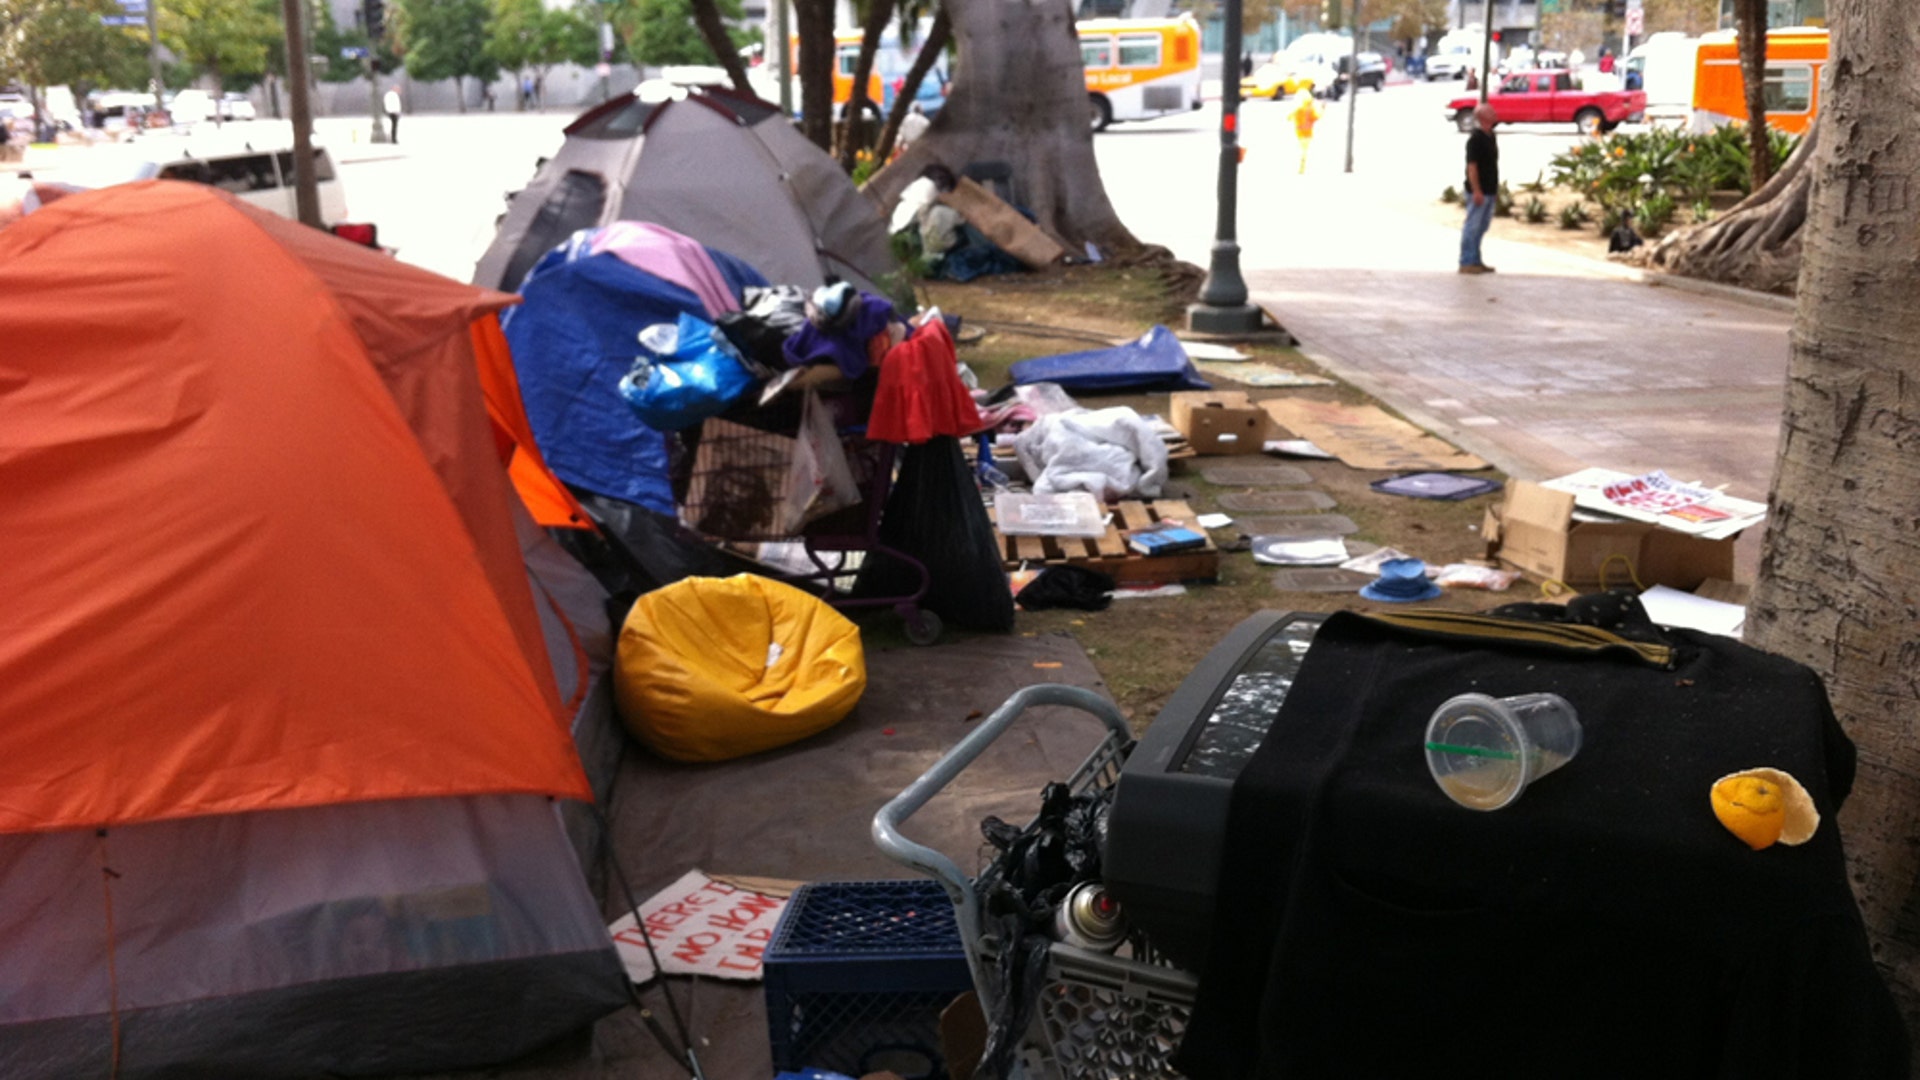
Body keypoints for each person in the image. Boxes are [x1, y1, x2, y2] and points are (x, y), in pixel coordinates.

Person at [1459, 102, 1499, 274]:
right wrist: (1476, 190)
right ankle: (1466, 261)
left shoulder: (1491, 136)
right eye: (1491, 112)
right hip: (1479, 190)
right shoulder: (1475, 140)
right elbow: (1472, 167)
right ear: (1483, 117)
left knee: (1482, 227)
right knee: (1472, 226)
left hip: (1490, 188)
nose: (1495, 113)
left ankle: (1476, 259)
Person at [1288, 88, 1322, 175]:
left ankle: (1301, 166)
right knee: (1304, 151)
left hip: (1299, 133)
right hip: (1308, 134)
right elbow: (1316, 118)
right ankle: (1302, 165)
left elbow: (1289, 118)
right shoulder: (1310, 110)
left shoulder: (1298, 110)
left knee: (1301, 150)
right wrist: (1322, 109)